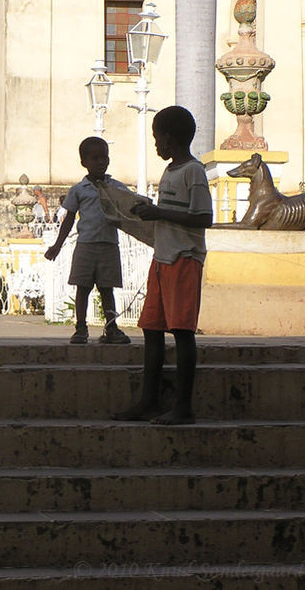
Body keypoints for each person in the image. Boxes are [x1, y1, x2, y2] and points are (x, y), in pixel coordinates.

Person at [113, 106, 213, 425]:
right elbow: (171, 211)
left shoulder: (193, 172)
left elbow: (202, 218)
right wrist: (151, 210)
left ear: (169, 140)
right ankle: (149, 401)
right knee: (152, 328)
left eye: (157, 139)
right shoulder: (170, 171)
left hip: (184, 258)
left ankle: (184, 406)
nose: (156, 145)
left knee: (182, 331)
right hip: (162, 258)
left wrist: (160, 214)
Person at [44, 136, 132, 345]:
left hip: (109, 245)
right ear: (84, 162)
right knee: (82, 287)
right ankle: (81, 328)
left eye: (104, 157)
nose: (101, 162)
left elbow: (131, 207)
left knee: (107, 289)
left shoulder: (117, 188)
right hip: (86, 246)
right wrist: (57, 245)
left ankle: (111, 328)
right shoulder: (78, 190)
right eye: (95, 158)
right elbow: (69, 219)